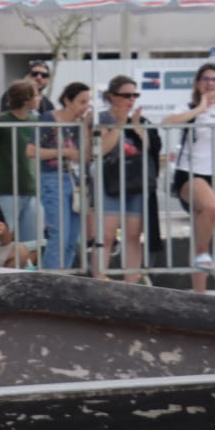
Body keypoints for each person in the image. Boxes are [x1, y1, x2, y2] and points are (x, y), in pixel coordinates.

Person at [162, 62, 215, 290]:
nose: (210, 83)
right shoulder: (188, 106)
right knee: (211, 207)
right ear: (197, 83)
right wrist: (200, 109)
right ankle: (202, 253)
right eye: (206, 78)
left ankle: (199, 293)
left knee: (202, 232)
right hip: (191, 173)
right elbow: (167, 122)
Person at [94, 75, 159, 284]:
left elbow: (151, 149)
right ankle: (99, 278)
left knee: (133, 235)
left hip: (136, 183)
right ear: (112, 96)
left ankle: (131, 281)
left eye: (134, 95)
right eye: (126, 95)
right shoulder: (102, 119)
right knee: (106, 235)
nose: (131, 99)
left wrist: (138, 128)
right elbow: (101, 150)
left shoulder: (140, 120)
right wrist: (120, 124)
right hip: (109, 181)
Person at [0, 78, 44, 263]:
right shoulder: (2, 121)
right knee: (2, 236)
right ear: (26, 100)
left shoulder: (36, 120)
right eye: (36, 95)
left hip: (31, 188)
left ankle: (28, 273)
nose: (39, 98)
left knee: (33, 240)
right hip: (6, 189)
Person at [37, 81, 91, 271]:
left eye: (88, 102)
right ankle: (50, 280)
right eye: (81, 102)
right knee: (59, 234)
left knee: (71, 238)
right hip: (53, 178)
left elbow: (85, 155)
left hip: (74, 181)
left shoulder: (78, 125)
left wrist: (84, 125)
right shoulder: (49, 118)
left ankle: (63, 275)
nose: (85, 106)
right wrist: (64, 152)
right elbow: (31, 150)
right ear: (68, 100)